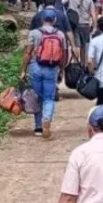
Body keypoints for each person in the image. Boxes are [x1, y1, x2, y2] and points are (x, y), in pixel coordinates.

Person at [20, 9, 68, 139]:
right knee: (49, 98)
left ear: (42, 19)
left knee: (37, 97)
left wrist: (23, 70)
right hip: (51, 69)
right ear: (55, 20)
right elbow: (63, 55)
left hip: (35, 67)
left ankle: (38, 127)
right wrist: (61, 69)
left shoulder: (34, 33)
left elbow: (28, 53)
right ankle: (47, 119)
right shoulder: (60, 34)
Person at [63, 0, 96, 64]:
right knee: (84, 46)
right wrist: (94, 26)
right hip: (85, 25)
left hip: (74, 24)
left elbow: (61, 2)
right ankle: (83, 64)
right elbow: (93, 15)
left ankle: (75, 63)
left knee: (76, 45)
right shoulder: (89, 0)